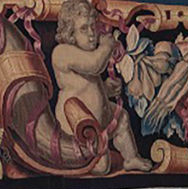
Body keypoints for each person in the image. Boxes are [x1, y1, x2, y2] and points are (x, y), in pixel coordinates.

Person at [52, 0, 153, 174]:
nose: (92, 34)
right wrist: (107, 46)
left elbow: (87, 86)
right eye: (84, 29)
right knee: (102, 167)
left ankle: (131, 158)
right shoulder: (62, 52)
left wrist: (106, 89)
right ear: (70, 32)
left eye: (93, 27)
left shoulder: (87, 52)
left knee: (121, 117)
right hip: (77, 130)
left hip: (97, 124)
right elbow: (94, 65)